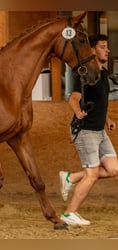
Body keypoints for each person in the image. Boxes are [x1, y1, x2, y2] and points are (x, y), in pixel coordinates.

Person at [59, 34, 118, 226]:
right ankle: (69, 214)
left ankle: (71, 177)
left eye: (106, 47)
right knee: (92, 175)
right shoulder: (85, 73)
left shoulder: (103, 74)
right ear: (92, 50)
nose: (107, 50)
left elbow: (100, 103)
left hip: (99, 132)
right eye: (102, 47)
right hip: (85, 131)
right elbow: (73, 98)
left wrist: (107, 119)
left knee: (113, 168)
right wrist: (77, 112)